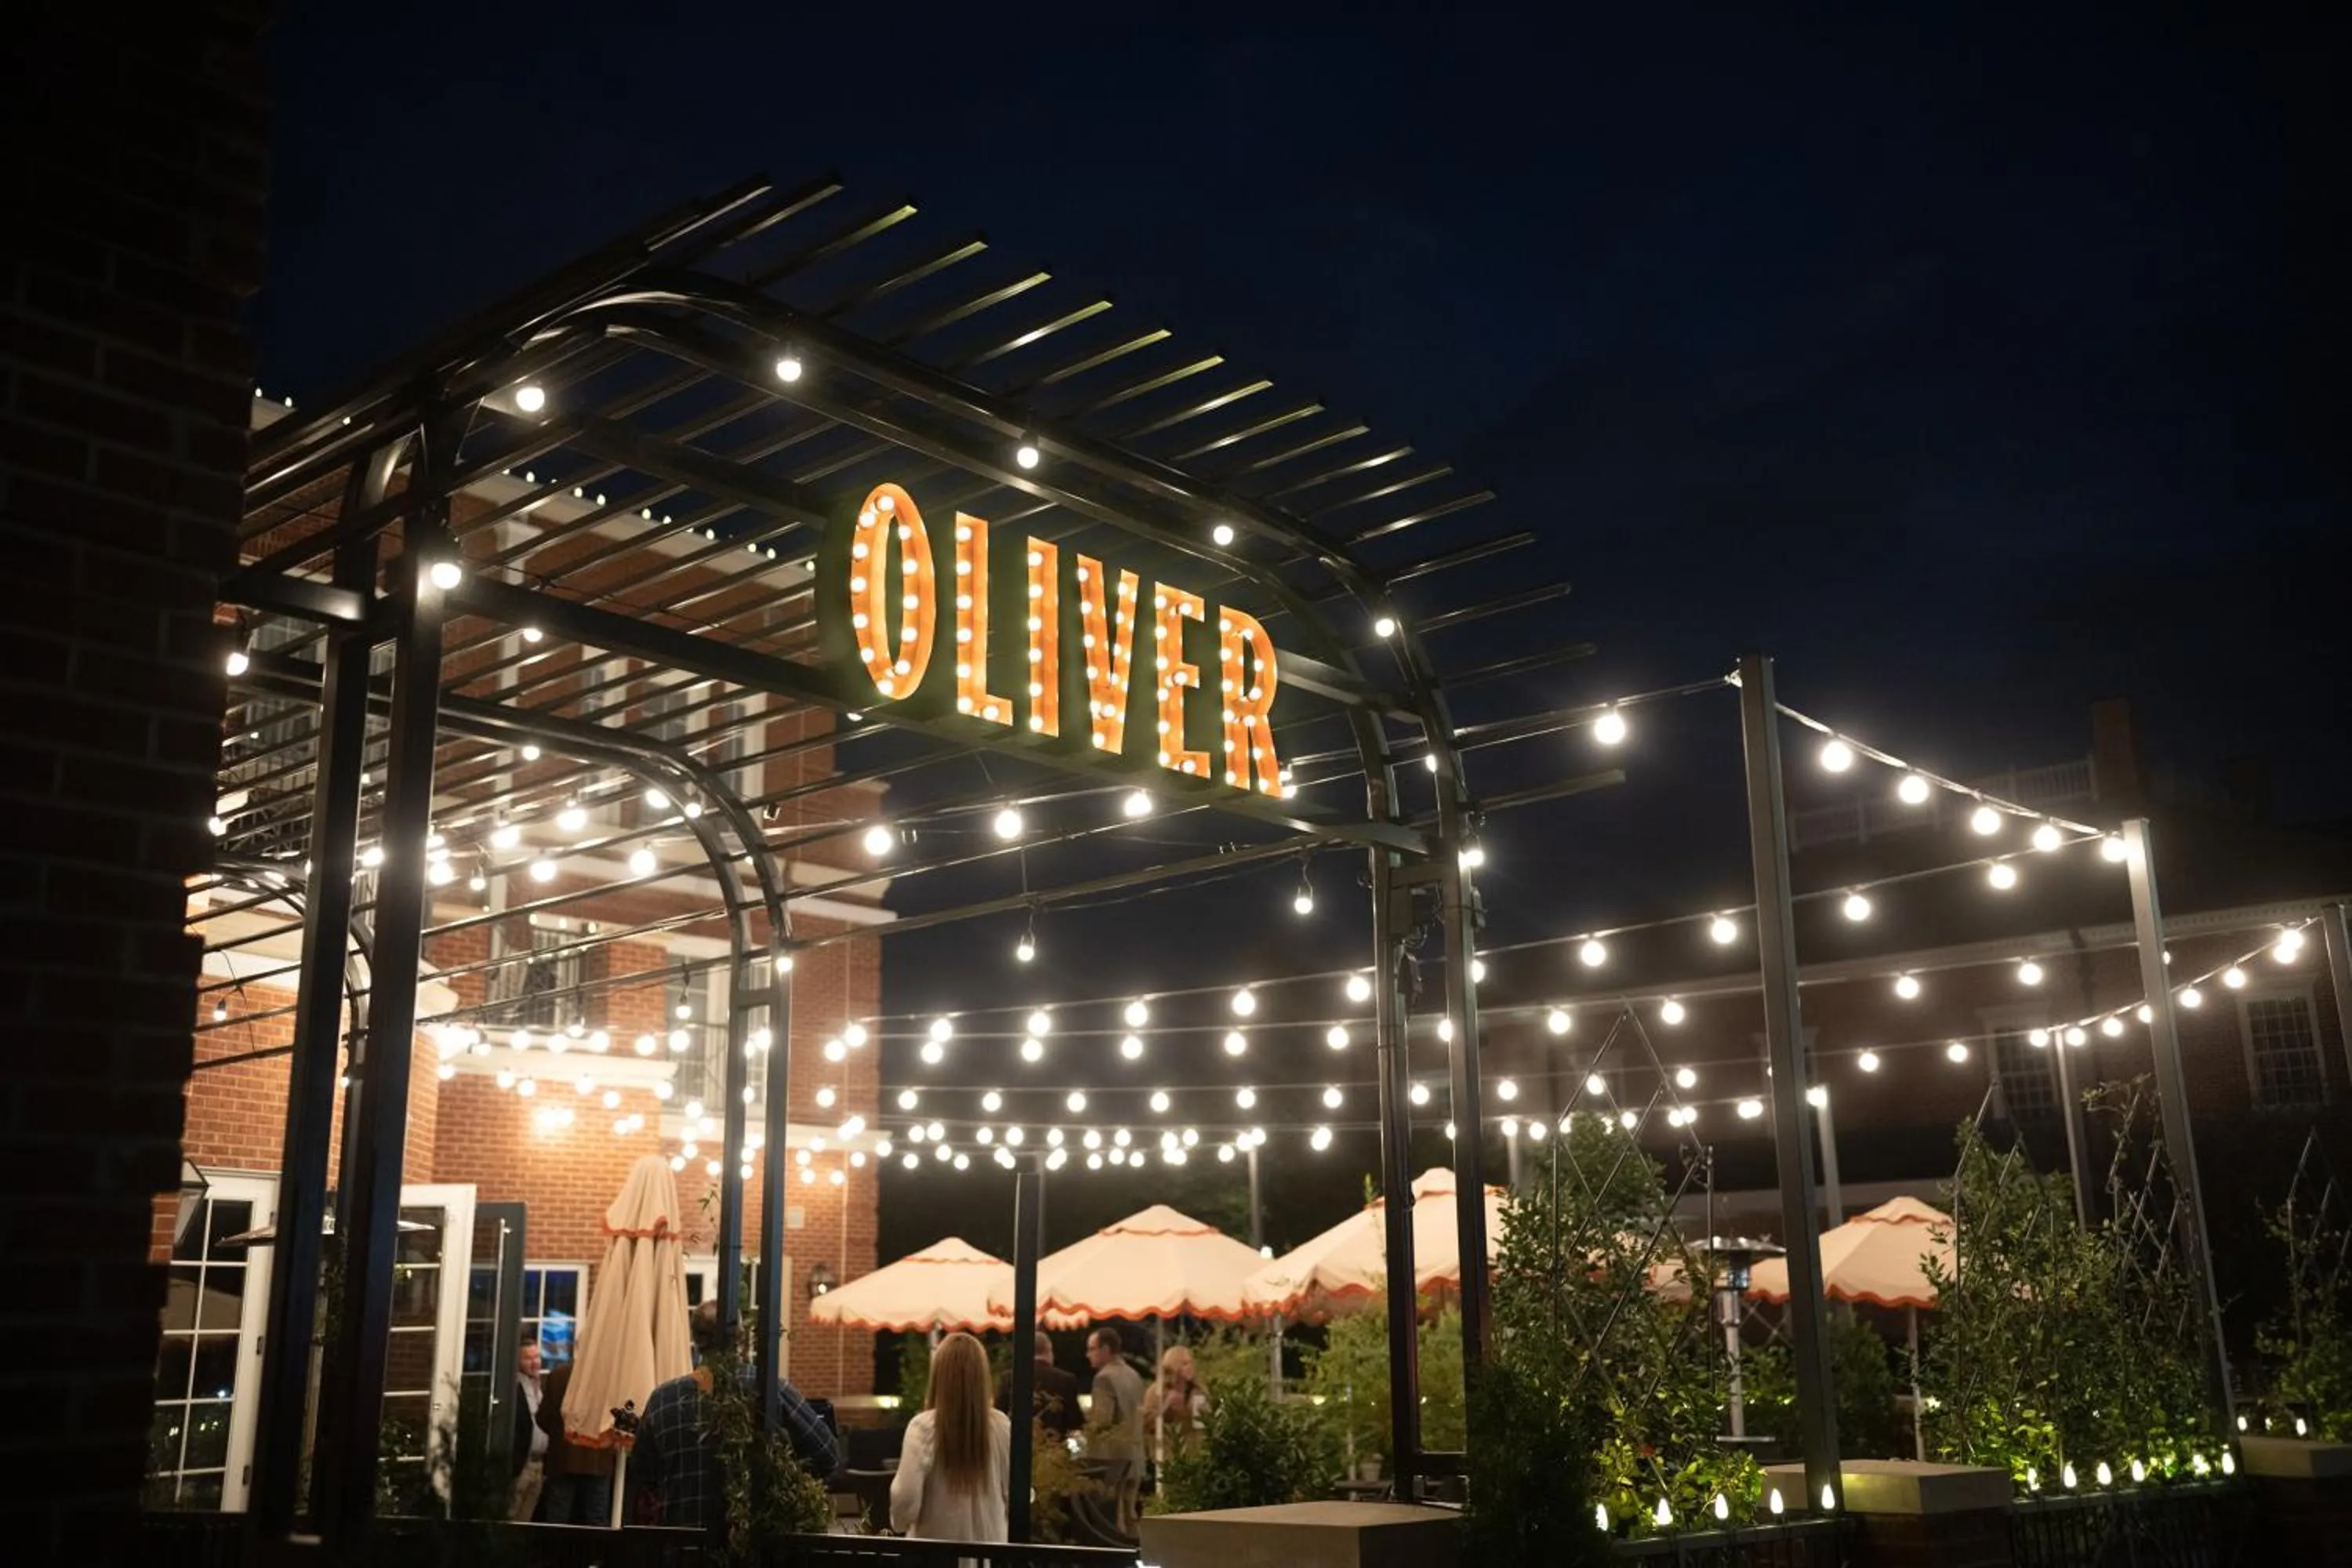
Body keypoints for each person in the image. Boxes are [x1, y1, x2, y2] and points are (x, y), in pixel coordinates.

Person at [635, 1301, 840, 1531]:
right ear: (742, 1339)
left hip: (681, 1549)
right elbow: (828, 1455)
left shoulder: (662, 1399)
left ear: (696, 1340)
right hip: (755, 1546)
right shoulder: (770, 1389)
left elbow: (643, 1474)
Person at [888, 1331, 1011, 1541]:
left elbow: (905, 1499)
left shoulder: (923, 1428)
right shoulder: (1001, 1426)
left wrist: (899, 1521)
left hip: (935, 1554)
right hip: (989, 1554)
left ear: (938, 1376)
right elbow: (1016, 1494)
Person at [536, 1353, 617, 1525]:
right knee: (596, 1519)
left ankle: (555, 1552)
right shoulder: (610, 1379)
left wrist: (560, 1436)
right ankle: (594, 1552)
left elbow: (543, 1417)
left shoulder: (558, 1375)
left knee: (557, 1517)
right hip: (598, 1459)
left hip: (562, 1459)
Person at [1083, 1326, 1145, 1534]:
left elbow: (1102, 1420)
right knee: (1131, 1518)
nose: (1088, 1355)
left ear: (1106, 1349)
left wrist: (1082, 1431)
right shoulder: (1134, 1376)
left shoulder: (1104, 1378)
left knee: (1113, 1522)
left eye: (1092, 1349)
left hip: (1111, 1462)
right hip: (1135, 1457)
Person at [1000, 1330, 1083, 1441]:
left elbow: (1001, 1417)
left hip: (1016, 1449)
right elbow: (1074, 1423)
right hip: (1054, 1450)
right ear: (1049, 1351)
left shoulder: (1009, 1379)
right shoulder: (1066, 1380)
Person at [1140, 1345, 1210, 1450]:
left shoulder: (1197, 1390)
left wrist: (1188, 1411)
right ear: (1174, 1366)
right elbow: (1146, 1425)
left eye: (1190, 1362)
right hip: (1166, 1452)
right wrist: (1166, 1406)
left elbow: (1202, 1426)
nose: (1190, 1367)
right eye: (1185, 1364)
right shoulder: (1157, 1391)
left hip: (1193, 1451)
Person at [510, 1336, 548, 1521]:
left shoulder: (544, 1386)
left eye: (537, 1357)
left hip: (539, 1465)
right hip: (521, 1464)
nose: (535, 1363)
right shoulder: (513, 1388)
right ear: (518, 1362)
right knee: (512, 1515)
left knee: (527, 1519)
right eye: (528, 1358)